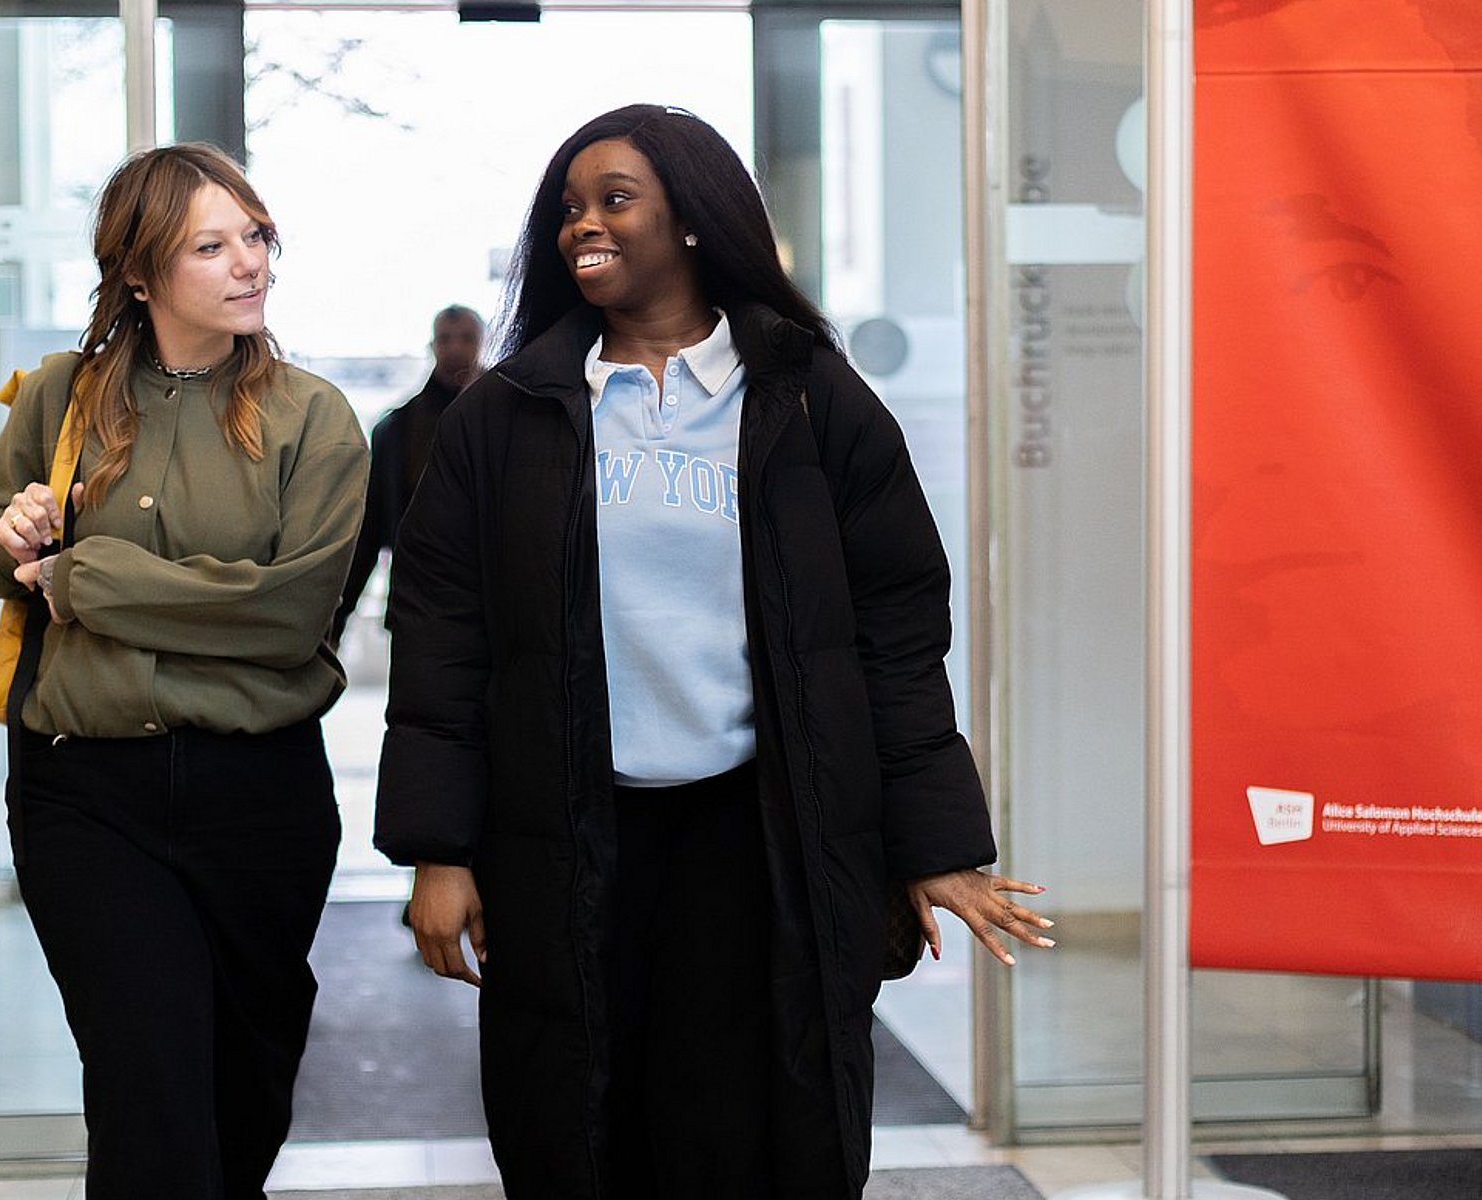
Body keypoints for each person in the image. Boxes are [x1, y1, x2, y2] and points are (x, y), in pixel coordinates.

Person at [373, 104, 1053, 1200]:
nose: (580, 226)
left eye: (612, 199)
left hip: (760, 836)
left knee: (755, 1122)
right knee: (578, 1121)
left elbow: (890, 634)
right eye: (568, 207)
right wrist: (437, 850)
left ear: (692, 219)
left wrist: (933, 841)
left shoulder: (807, 397)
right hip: (565, 835)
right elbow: (443, 641)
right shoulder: (508, 416)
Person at [0, 142, 366, 1200]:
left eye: (255, 236)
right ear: (138, 273)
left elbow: (288, 613)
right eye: (210, 246)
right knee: (147, 1091)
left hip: (258, 788)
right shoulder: (60, 396)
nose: (248, 264)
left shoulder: (315, 418)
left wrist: (83, 577)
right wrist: (13, 536)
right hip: (85, 791)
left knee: (246, 1082)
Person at [332, 304, 486, 638]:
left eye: (466, 338)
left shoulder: (511, 418)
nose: (456, 348)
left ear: (481, 342)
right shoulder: (397, 430)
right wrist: (338, 617)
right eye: (446, 338)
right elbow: (372, 525)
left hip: (493, 600)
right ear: (433, 346)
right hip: (419, 599)